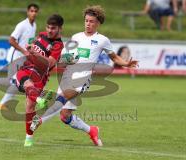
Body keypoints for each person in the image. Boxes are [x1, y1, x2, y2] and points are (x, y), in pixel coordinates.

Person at [30, 5, 138, 147]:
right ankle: (92, 130)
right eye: (86, 20)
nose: (88, 23)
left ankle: (39, 120)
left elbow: (114, 57)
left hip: (83, 78)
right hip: (69, 76)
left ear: (98, 23)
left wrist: (126, 63)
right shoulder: (76, 37)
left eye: (91, 21)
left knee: (60, 99)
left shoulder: (102, 40)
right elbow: (66, 57)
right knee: (65, 116)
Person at [16, 14, 64, 147]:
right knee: (27, 100)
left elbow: (49, 63)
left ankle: (29, 136)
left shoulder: (58, 45)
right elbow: (35, 48)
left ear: (60, 28)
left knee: (30, 107)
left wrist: (35, 54)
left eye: (53, 28)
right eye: (48, 27)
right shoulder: (41, 35)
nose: (49, 30)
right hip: (27, 68)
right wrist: (30, 48)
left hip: (39, 75)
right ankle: (29, 138)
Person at [0, 3, 39, 110]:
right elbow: (11, 40)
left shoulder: (34, 25)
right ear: (27, 12)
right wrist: (24, 51)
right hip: (15, 56)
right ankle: (1, 104)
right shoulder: (22, 25)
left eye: (35, 11)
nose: (33, 13)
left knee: (16, 82)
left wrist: (33, 45)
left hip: (23, 58)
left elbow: (28, 41)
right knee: (16, 83)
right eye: (31, 11)